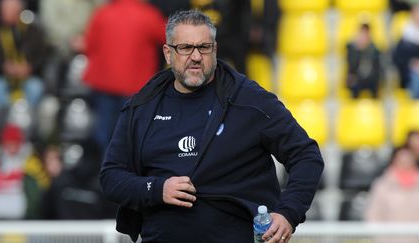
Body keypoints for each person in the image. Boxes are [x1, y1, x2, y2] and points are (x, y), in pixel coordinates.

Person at [99, 10, 324, 243]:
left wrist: (288, 212)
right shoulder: (143, 106)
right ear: (168, 53)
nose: (195, 56)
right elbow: (111, 177)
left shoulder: (250, 100)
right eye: (185, 47)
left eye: (204, 47)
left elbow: (306, 156)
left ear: (214, 50)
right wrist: (157, 189)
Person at [82, 0, 166, 152]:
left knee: (104, 133)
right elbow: (168, 38)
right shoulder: (148, 15)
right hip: (134, 86)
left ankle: (104, 170)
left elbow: (89, 46)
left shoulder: (103, 13)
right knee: (131, 136)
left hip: (104, 84)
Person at [364, 146, 419, 243]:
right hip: (389, 240)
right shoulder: (382, 185)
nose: (405, 162)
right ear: (394, 160)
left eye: (409, 158)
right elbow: (373, 214)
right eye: (401, 159)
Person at [0, 0, 48, 109]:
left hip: (28, 76)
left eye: (10, 10)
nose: (5, 13)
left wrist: (29, 67)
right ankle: (7, 116)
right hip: (2, 75)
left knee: (36, 87)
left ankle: (25, 114)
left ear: (19, 11)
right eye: (4, 10)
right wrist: (4, 66)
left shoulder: (32, 30)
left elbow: (41, 55)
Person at [346, 23, 382, 98]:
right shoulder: (352, 49)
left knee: (376, 85)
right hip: (357, 78)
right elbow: (352, 67)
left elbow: (377, 69)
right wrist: (358, 50)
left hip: (370, 80)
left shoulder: (374, 50)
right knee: (354, 83)